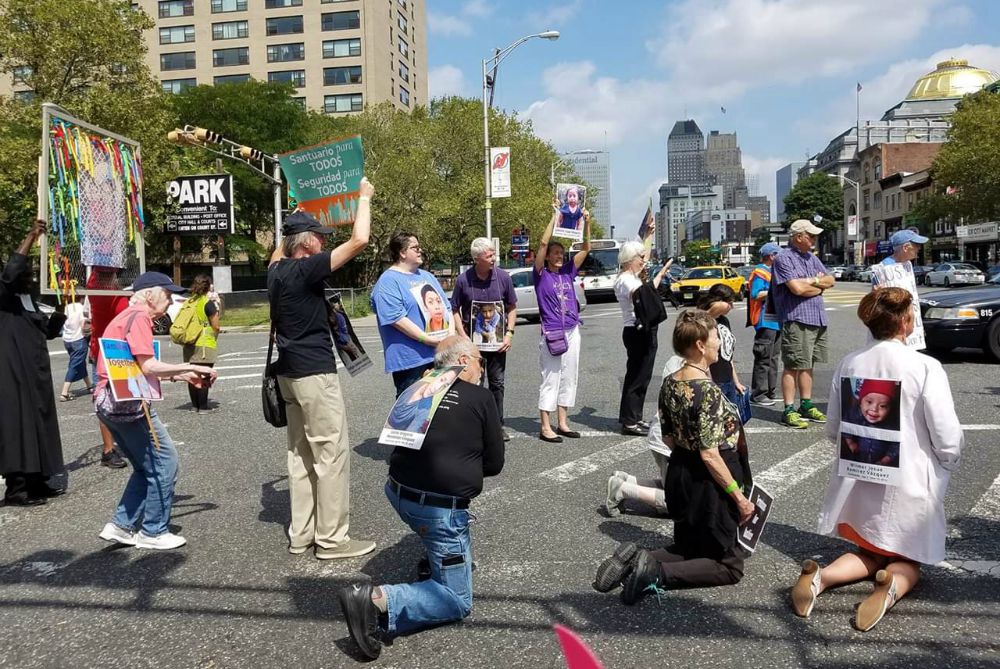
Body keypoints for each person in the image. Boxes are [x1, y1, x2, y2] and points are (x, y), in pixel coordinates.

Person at [790, 288, 963, 631]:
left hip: (862, 479)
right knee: (907, 560)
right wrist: (948, 460)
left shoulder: (851, 362)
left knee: (868, 552)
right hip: (909, 483)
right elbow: (946, 434)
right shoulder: (925, 366)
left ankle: (820, 577)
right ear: (905, 322)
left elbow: (834, 428)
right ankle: (890, 588)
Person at [338, 336, 504, 660]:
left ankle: (436, 559)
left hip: (397, 493)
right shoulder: (481, 398)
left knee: (455, 553)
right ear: (465, 361)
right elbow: (494, 465)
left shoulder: (416, 388)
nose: (482, 367)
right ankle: (375, 602)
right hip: (438, 511)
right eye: (479, 361)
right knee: (456, 598)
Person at [593, 310, 755, 602]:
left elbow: (668, 436)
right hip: (710, 483)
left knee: (689, 547)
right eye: (716, 336)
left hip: (680, 470)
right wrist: (739, 498)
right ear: (700, 345)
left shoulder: (671, 382)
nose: (720, 341)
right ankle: (654, 574)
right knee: (729, 566)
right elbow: (710, 455)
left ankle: (638, 559)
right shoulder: (706, 391)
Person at [268, 179, 376, 560]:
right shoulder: (307, 269)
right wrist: (363, 198)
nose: (325, 243)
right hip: (315, 374)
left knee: (300, 456)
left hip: (287, 375)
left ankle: (302, 535)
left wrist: (295, 216)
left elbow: (280, 249)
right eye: (320, 237)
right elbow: (359, 240)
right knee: (330, 454)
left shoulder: (276, 271)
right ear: (308, 243)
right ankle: (332, 539)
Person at [95, 272, 218, 549]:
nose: (170, 300)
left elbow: (134, 367)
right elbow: (148, 366)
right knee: (165, 462)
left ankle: (122, 525)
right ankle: (153, 531)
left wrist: (179, 376)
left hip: (108, 401)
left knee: (144, 467)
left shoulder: (125, 317)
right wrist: (191, 367)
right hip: (129, 405)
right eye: (166, 294)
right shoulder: (139, 318)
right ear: (149, 294)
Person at [0, 220, 66, 506]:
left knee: (40, 423)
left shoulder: (28, 299)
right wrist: (31, 237)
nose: (28, 273)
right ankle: (16, 489)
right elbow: (10, 272)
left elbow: (45, 331)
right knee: (18, 425)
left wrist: (62, 316)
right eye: (25, 269)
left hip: (35, 370)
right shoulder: (4, 298)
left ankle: (38, 482)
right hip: (13, 370)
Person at [372, 232, 455, 397]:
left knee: (441, 408)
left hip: (440, 354)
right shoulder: (388, 281)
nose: (420, 250)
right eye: (415, 247)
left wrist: (450, 337)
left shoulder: (428, 276)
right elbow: (396, 318)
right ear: (402, 253)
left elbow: (447, 308)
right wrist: (428, 339)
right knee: (413, 410)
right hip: (411, 362)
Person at [534, 198, 591, 442]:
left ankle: (563, 422)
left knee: (570, 375)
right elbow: (543, 241)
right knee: (552, 376)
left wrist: (586, 223)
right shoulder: (540, 274)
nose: (558, 256)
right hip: (552, 331)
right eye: (554, 253)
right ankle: (545, 426)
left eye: (561, 253)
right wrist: (556, 215)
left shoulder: (568, 271)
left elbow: (586, 248)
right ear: (547, 257)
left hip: (572, 329)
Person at [450, 237, 517, 440]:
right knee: (473, 385)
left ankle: (497, 425)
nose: (494, 258)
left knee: (497, 384)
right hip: (472, 346)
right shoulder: (463, 280)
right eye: (489, 256)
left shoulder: (503, 277)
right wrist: (463, 337)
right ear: (477, 258)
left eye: (493, 254)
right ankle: (474, 425)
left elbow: (512, 307)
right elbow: (454, 309)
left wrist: (509, 333)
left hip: (497, 345)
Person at [772, 219, 835, 429]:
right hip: (796, 317)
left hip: (816, 317)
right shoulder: (784, 258)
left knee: (808, 363)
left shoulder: (811, 258)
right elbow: (796, 289)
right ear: (799, 237)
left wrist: (813, 282)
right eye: (811, 236)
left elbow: (831, 280)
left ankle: (806, 404)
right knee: (792, 365)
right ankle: (789, 409)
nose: (814, 239)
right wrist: (817, 284)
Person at [614, 232, 671, 436]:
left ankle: (634, 417)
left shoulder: (632, 279)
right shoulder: (627, 280)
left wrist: (660, 274)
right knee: (636, 377)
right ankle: (629, 421)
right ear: (630, 260)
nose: (643, 261)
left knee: (643, 376)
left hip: (641, 330)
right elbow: (643, 297)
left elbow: (645, 293)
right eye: (640, 257)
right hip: (637, 331)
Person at [86, 266, 129, 469]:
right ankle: (108, 450)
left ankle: (116, 446)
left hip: (111, 350)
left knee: (122, 399)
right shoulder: (105, 293)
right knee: (107, 401)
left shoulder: (98, 289)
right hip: (107, 352)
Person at [697, 284, 748, 422]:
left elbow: (728, 354)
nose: (731, 306)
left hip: (727, 380)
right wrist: (710, 382)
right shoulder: (704, 320)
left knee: (732, 424)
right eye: (729, 302)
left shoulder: (724, 320)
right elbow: (701, 354)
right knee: (716, 424)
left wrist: (736, 381)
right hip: (712, 379)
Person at [748, 242, 782, 406]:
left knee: (773, 358)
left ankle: (770, 392)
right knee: (764, 358)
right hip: (765, 318)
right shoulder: (760, 272)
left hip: (776, 319)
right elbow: (755, 294)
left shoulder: (774, 271)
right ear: (771, 256)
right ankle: (758, 394)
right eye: (779, 254)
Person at [182, 274, 221, 414]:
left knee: (192, 375)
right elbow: (216, 326)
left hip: (188, 343)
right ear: (208, 287)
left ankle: (194, 405)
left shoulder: (188, 302)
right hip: (204, 344)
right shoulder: (207, 303)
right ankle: (203, 407)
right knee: (204, 374)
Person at [386, 368, 460, 433]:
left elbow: (411, 431)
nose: (438, 388)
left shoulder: (425, 408)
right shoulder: (415, 386)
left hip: (396, 429)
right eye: (441, 380)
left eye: (445, 386)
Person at [59, 295, 93, 401]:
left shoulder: (66, 306)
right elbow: (84, 323)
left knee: (79, 363)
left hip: (67, 340)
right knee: (74, 364)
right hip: (78, 339)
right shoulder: (80, 307)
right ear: (81, 297)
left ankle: (89, 385)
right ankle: (64, 393)